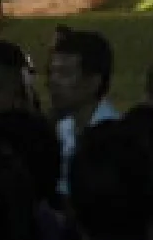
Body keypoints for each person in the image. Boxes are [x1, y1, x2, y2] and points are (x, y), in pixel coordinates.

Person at [48, 30, 120, 196]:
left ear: (94, 82)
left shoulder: (114, 140)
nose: (53, 81)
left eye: (64, 73)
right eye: (52, 72)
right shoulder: (62, 129)